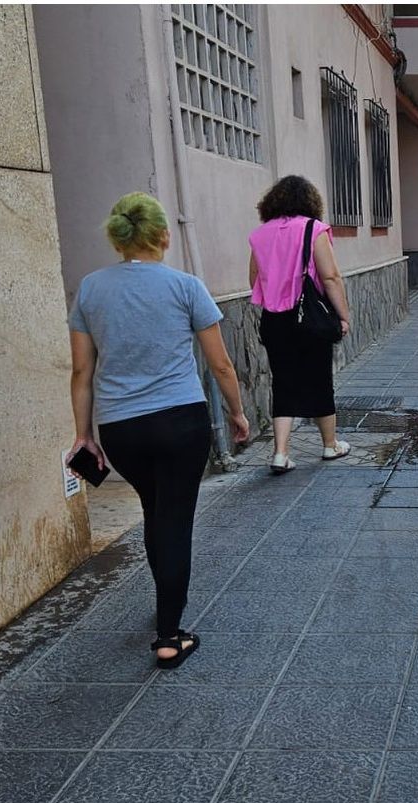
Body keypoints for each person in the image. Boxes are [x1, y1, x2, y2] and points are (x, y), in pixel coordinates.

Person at [68, 192, 250, 669]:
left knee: (155, 512)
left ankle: (164, 608)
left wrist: (83, 434)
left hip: (121, 428)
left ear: (118, 237)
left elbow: (81, 373)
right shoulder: (186, 286)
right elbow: (221, 363)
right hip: (179, 422)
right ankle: (169, 634)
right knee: (175, 521)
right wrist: (237, 413)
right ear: (164, 235)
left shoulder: (90, 290)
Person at [248, 175, 352, 474]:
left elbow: (254, 279)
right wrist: (343, 315)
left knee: (283, 382)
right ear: (310, 201)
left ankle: (280, 453)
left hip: (274, 319)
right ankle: (330, 445)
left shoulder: (259, 235)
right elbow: (330, 276)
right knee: (319, 379)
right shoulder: (314, 229)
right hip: (308, 317)